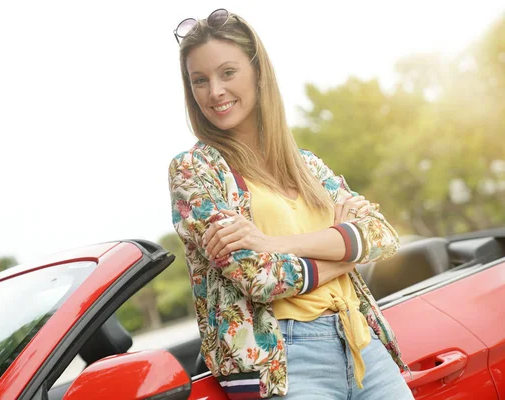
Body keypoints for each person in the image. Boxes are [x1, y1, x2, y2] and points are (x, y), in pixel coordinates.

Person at [168, 9, 414, 400]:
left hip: (362, 343)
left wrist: (273, 243)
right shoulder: (194, 171)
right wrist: (347, 252)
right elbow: (259, 277)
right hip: (286, 363)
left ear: (258, 73)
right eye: (200, 80)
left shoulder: (308, 165)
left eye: (227, 73)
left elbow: (381, 235)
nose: (214, 91)